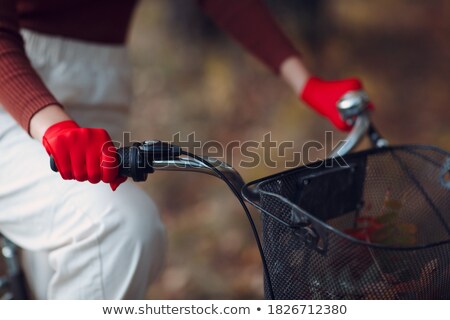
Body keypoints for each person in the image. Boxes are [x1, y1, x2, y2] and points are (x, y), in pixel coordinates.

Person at [0, 0, 372, 299]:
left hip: (100, 94)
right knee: (116, 230)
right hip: (15, 104)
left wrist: (305, 83)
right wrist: (54, 127)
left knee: (58, 282)